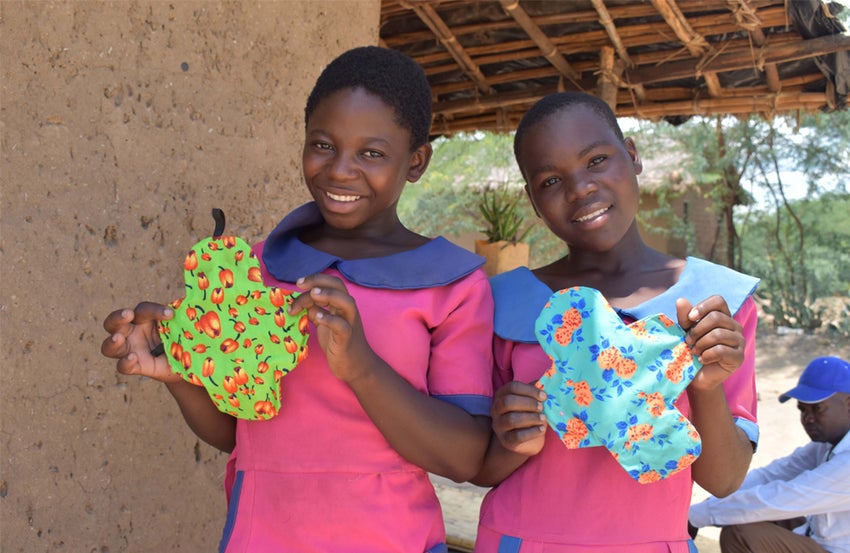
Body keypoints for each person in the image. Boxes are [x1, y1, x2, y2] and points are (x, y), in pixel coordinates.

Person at [101, 46, 496, 552]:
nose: (340, 171)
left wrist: (361, 368)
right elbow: (239, 434)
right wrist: (181, 376)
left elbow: (463, 458)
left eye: (371, 153)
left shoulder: (452, 285)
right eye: (323, 145)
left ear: (416, 162)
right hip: (260, 536)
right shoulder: (253, 269)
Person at [470, 91, 760, 553]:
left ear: (632, 155)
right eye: (550, 180)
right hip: (521, 541)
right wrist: (508, 438)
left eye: (597, 160)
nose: (580, 187)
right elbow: (478, 467)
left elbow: (723, 480)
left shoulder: (716, 305)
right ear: (532, 200)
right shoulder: (503, 305)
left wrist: (705, 388)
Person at [689, 355, 850, 553]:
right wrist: (704, 508)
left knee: (742, 533)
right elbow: (771, 475)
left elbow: (786, 497)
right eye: (802, 409)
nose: (808, 418)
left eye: (817, 409)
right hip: (818, 537)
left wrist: (697, 516)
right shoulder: (827, 444)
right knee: (753, 514)